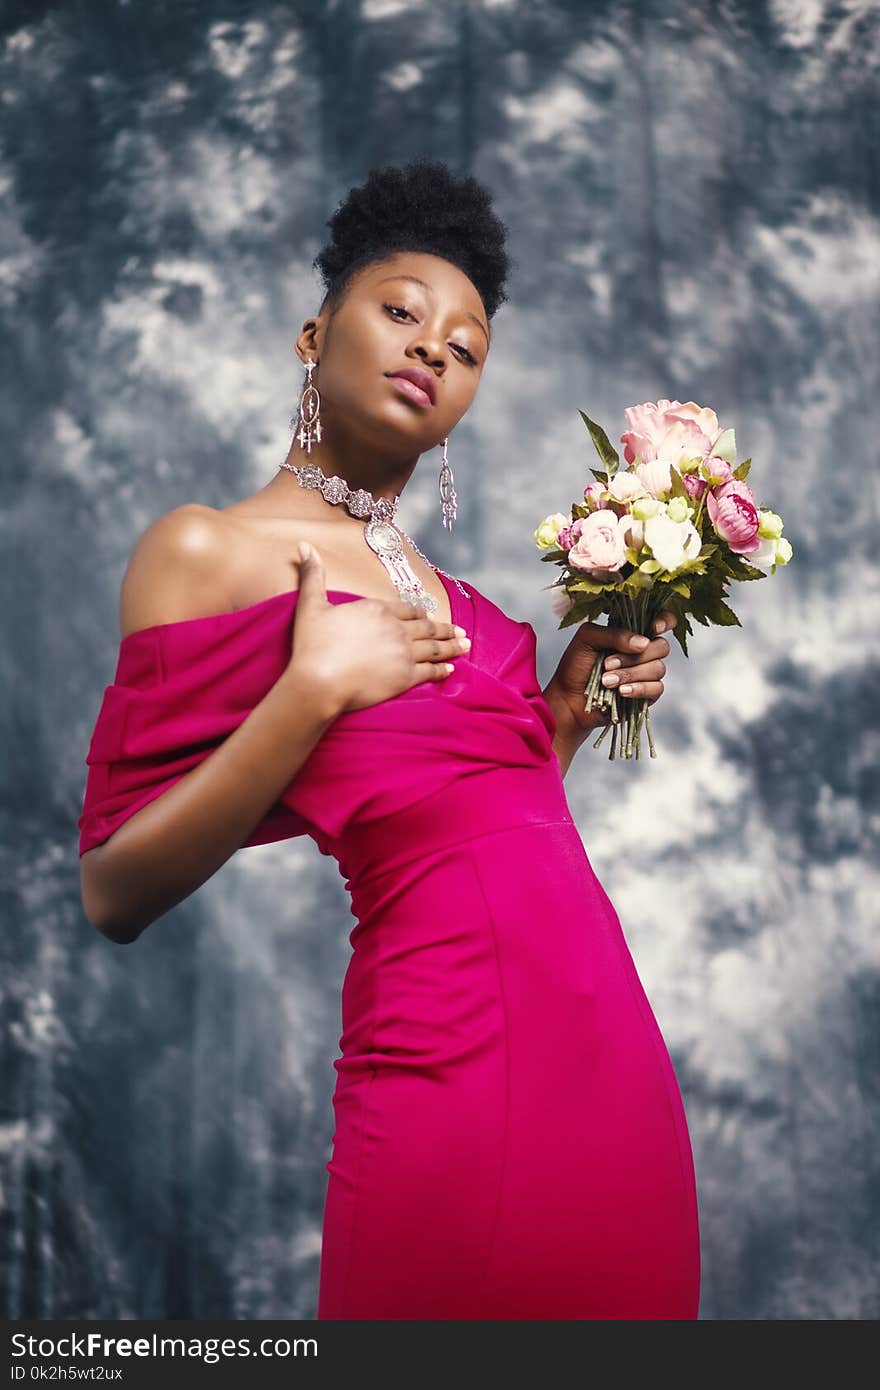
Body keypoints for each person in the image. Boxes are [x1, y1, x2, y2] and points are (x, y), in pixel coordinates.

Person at [77, 159, 700, 1319]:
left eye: (465, 349)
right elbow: (114, 889)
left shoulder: (475, 614)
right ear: (316, 333)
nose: (431, 350)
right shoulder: (206, 552)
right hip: (439, 1064)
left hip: (611, 1067)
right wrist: (307, 689)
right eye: (401, 311)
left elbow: (479, 820)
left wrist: (562, 716)